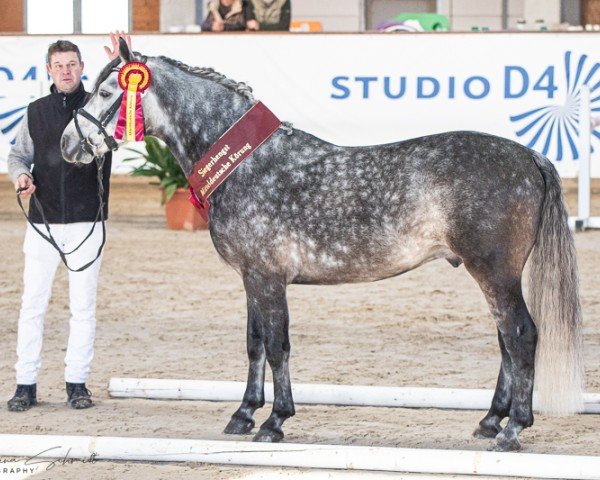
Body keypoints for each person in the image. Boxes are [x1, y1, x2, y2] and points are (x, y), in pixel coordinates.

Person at [6, 32, 130, 412]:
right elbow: (17, 157)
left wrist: (126, 60)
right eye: (58, 65)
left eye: (72, 65)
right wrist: (20, 177)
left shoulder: (99, 107)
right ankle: (25, 384)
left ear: (82, 68)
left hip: (85, 220)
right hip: (43, 221)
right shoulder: (35, 111)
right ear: (49, 69)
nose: (65, 71)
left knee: (83, 306)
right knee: (33, 305)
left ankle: (77, 383)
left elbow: (128, 93)